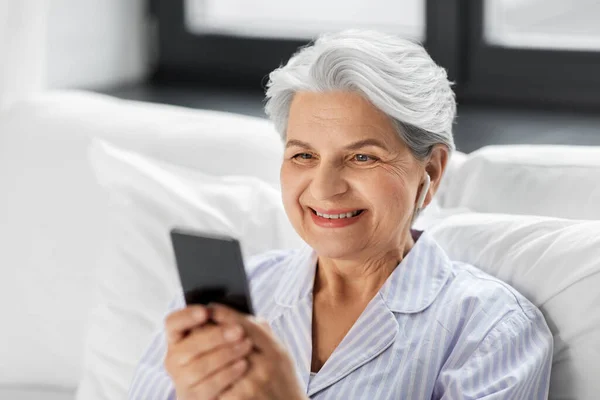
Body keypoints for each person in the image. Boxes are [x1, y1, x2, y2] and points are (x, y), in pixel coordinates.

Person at [128, 30, 553, 399]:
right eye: (304, 155)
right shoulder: (220, 310)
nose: (324, 187)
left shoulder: (492, 331)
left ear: (432, 170)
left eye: (362, 157)